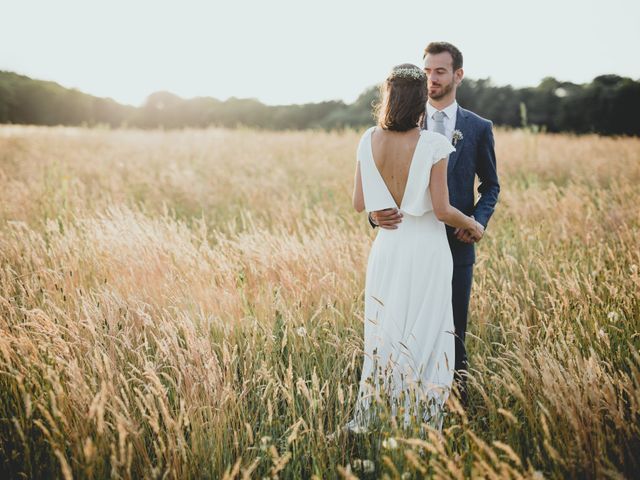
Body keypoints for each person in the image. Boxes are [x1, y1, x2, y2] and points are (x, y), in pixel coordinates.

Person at [346, 62, 484, 433]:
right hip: (425, 249)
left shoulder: (367, 138)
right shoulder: (433, 144)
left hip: (388, 247)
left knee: (385, 332)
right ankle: (419, 419)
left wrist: (381, 208)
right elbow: (442, 210)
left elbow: (360, 203)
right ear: (421, 98)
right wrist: (472, 224)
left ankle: (380, 413)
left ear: (388, 97)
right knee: (427, 331)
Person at [368, 42, 500, 407]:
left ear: (458, 75)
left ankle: (455, 403)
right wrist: (374, 214)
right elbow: (381, 186)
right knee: (401, 325)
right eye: (426, 71)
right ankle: (401, 399)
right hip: (408, 244)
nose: (431, 79)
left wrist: (476, 223)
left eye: (439, 71)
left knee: (453, 329)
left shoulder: (478, 127)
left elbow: (491, 185)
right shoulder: (402, 123)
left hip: (456, 246)